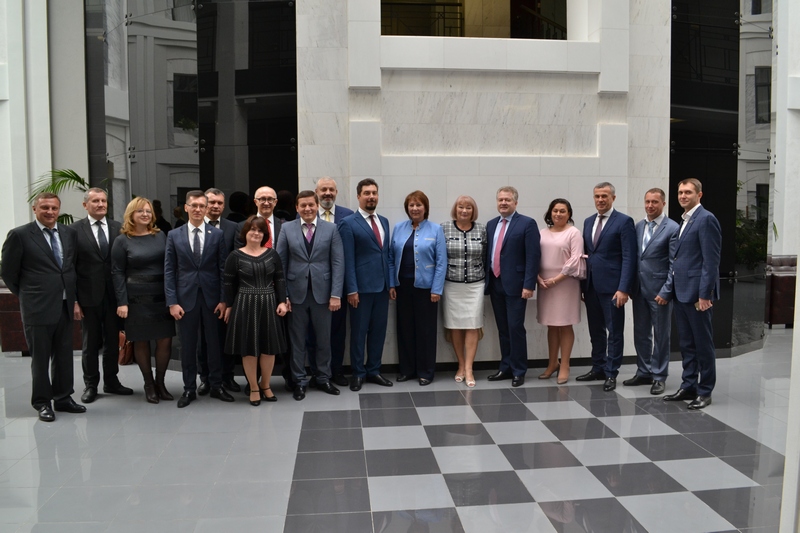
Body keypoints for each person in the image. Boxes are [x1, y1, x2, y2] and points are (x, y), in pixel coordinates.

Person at [1, 192, 85, 422]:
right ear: (35, 209)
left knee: (64, 356)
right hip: (37, 307)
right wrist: (27, 295)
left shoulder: (69, 233)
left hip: (64, 304)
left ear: (59, 210)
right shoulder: (20, 235)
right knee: (40, 359)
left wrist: (74, 299)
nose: (50, 212)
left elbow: (70, 267)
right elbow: (8, 273)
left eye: (54, 208)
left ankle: (63, 398)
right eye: (45, 207)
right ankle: (42, 402)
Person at [164, 190, 233, 408]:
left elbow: (223, 269)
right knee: (188, 346)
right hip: (185, 299)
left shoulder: (217, 235)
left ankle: (216, 385)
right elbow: (169, 270)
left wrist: (224, 300)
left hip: (212, 299)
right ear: (186, 207)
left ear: (206, 209)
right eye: (193, 205)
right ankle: (189, 388)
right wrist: (172, 302)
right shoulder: (174, 235)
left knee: (214, 344)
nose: (197, 209)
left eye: (202, 206)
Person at [658, 178, 721, 410]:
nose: (683, 196)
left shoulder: (706, 219)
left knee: (703, 345)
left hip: (697, 296)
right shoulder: (685, 220)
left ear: (699, 195)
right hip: (681, 293)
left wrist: (705, 295)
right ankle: (688, 386)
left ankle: (705, 391)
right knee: (687, 344)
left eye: (688, 192)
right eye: (680, 192)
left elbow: (710, 262)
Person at [276, 191, 344, 400]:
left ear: (317, 206)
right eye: (303, 205)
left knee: (324, 340)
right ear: (297, 208)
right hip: (295, 295)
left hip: (323, 295)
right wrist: (284, 295)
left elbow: (338, 263)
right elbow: (280, 264)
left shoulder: (331, 229)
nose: (307, 209)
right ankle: (299, 381)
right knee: (297, 341)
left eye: (311, 205)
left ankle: (323, 377)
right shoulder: (287, 228)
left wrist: (336, 294)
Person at [71, 188, 133, 403]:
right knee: (90, 343)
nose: (100, 204)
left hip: (114, 296)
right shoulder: (74, 231)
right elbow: (70, 267)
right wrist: (74, 300)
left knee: (112, 341)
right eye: (95, 201)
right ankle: (91, 385)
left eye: (103, 201)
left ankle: (111, 381)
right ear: (85, 205)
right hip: (88, 297)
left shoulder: (119, 228)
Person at [111, 197, 175, 404]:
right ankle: (149, 384)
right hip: (136, 299)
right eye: (140, 211)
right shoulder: (122, 240)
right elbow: (117, 272)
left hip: (161, 297)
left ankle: (160, 383)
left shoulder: (161, 235)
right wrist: (122, 302)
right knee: (141, 341)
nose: (145, 214)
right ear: (131, 214)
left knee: (165, 339)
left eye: (148, 211)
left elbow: (170, 266)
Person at [577, 182, 637, 392]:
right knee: (596, 331)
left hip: (613, 288)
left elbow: (629, 257)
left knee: (615, 331)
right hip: (591, 286)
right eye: (597, 196)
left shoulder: (624, 221)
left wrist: (624, 288)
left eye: (604, 196)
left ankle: (611, 372)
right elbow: (588, 254)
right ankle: (598, 368)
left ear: (613, 198)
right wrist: (583, 286)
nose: (600, 200)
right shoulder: (588, 221)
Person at [224, 216, 288, 405]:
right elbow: (228, 283)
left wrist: (282, 302)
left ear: (265, 235)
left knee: (269, 349)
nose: (256, 233)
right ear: (245, 232)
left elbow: (280, 279)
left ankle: (265, 385)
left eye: (260, 230)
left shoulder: (272, 254)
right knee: (249, 349)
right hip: (244, 304)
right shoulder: (235, 256)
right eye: (252, 229)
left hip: (269, 303)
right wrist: (229, 306)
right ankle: (253, 387)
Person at [623, 188, 680, 395]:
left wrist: (667, 291)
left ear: (663, 203)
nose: (650, 205)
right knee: (641, 333)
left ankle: (659, 375)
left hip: (659, 292)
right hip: (639, 290)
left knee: (661, 335)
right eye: (647, 201)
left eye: (654, 202)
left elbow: (674, 264)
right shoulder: (639, 226)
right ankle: (643, 371)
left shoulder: (672, 228)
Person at [338, 178, 393, 391]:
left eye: (374, 193)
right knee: (359, 333)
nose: (371, 197)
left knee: (379, 331)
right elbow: (348, 259)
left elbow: (386, 254)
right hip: (360, 289)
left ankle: (374, 370)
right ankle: (358, 373)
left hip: (382, 288)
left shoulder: (384, 221)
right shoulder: (348, 223)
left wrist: (391, 284)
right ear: (358, 196)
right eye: (367, 193)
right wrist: (351, 289)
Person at [388, 191, 447, 386]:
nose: (415, 208)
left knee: (425, 331)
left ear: (425, 208)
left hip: (426, 289)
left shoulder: (436, 229)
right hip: (402, 287)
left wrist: (436, 289)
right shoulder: (398, 228)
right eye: (411, 205)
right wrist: (391, 283)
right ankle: (407, 370)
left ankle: (426, 372)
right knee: (405, 329)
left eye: (418, 205)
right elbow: (390, 258)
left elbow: (441, 262)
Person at [485, 186, 541, 387]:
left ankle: (519, 370)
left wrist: (529, 285)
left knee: (515, 327)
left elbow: (533, 257)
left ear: (515, 202)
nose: (503, 203)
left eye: (507, 200)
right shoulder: (491, 224)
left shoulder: (527, 223)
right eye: (500, 199)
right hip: (495, 283)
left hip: (517, 286)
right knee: (503, 328)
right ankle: (506, 367)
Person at [309, 176, 354, 387]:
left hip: (338, 284)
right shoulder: (305, 213)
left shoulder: (348, 216)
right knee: (312, 332)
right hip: (311, 285)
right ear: (316, 193)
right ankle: (316, 373)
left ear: (336, 193)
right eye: (323, 189)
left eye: (331, 190)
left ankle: (336, 371)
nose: (327, 193)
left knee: (337, 331)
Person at [197, 187, 241, 394]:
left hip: (227, 291)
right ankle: (205, 378)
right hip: (201, 291)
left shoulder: (233, 227)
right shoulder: (195, 226)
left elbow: (238, 258)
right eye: (212, 202)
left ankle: (227, 377)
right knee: (203, 338)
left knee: (226, 336)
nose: (215, 206)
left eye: (219, 203)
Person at [441, 195, 487, 388]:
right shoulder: (444, 228)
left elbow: (486, 256)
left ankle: (469, 368)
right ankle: (460, 364)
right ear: (455, 209)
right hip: (452, 284)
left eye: (468, 207)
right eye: (461, 207)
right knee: (455, 326)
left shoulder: (482, 229)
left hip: (475, 285)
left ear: (473, 211)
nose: (464, 211)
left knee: (472, 325)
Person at [536, 198, 584, 385]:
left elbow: (575, 259)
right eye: (555, 210)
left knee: (565, 324)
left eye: (562, 211)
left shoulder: (573, 233)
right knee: (552, 325)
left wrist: (556, 279)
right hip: (545, 285)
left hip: (565, 284)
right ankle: (552, 363)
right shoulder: (542, 233)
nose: (558, 214)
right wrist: (538, 277)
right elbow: (534, 256)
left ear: (569, 214)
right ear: (550, 212)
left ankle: (565, 365)